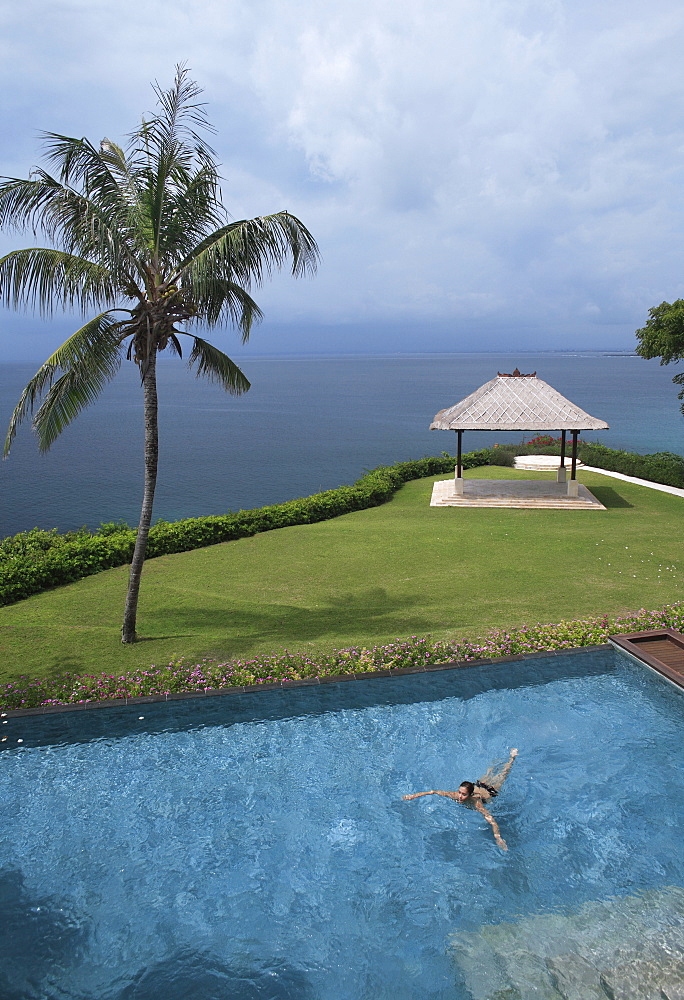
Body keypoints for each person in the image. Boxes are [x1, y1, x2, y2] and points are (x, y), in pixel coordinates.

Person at [402, 748, 518, 851]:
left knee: (503, 774)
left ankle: (512, 758)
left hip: (490, 791)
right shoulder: (454, 795)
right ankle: (502, 757)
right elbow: (433, 792)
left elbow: (491, 819)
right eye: (459, 793)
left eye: (464, 795)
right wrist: (413, 796)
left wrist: (498, 837)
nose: (460, 797)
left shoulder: (476, 803)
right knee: (490, 770)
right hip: (479, 784)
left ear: (470, 795)